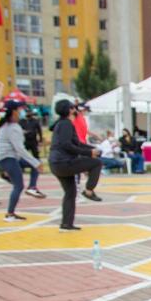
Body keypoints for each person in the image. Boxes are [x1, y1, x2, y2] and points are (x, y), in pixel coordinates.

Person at [49, 99, 103, 231]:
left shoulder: (61, 124)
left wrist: (91, 149)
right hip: (64, 162)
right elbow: (67, 145)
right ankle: (88, 191)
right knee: (96, 163)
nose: (75, 109)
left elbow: (76, 143)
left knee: (70, 192)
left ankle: (66, 224)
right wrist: (89, 153)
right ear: (69, 110)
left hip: (56, 163)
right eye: (73, 107)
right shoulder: (66, 124)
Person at [0, 101, 44, 222]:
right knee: (19, 185)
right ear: (14, 112)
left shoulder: (8, 126)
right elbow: (20, 149)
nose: (22, 111)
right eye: (19, 109)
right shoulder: (12, 127)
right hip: (8, 158)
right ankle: (10, 214)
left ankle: (32, 187)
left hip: (7, 158)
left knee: (33, 164)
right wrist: (36, 163)